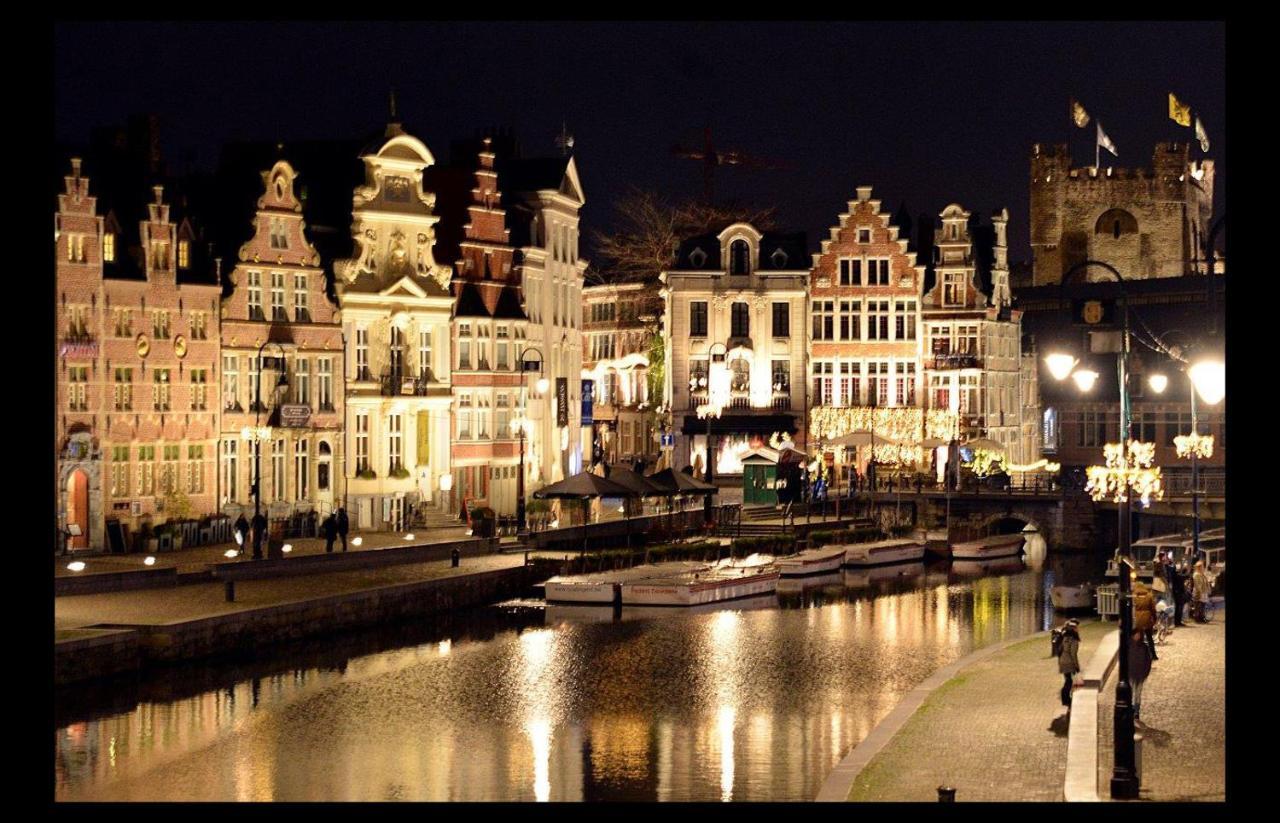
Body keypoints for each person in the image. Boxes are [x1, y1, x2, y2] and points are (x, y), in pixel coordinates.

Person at [1128, 629, 1153, 723]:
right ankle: (1130, 709)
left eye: (1139, 635)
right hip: (1131, 673)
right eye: (1136, 635)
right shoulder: (1128, 646)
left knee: (1138, 694)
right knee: (1130, 693)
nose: (1137, 637)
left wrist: (1146, 672)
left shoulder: (1144, 647)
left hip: (1140, 674)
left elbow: (1148, 661)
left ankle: (1136, 711)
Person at [1057, 619, 1082, 710]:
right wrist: (1077, 667)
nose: (1078, 629)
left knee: (1067, 679)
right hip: (1069, 663)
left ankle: (1065, 698)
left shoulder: (1064, 638)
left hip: (1062, 661)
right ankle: (1066, 698)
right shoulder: (1074, 640)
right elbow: (1073, 654)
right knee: (1069, 681)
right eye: (1076, 628)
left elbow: (1060, 650)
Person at [1131, 578, 1159, 661]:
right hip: (1147, 618)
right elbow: (1153, 609)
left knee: (1140, 638)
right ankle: (1153, 655)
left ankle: (1140, 655)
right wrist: (1154, 618)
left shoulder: (1134, 596)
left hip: (1138, 618)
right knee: (1150, 637)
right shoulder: (1149, 595)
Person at [1168, 558, 1188, 627]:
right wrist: (1185, 572)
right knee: (1179, 607)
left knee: (1179, 607)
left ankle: (1178, 621)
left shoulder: (1176, 573)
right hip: (1178, 591)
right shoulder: (1176, 574)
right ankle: (1177, 622)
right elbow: (1181, 578)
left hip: (1178, 591)